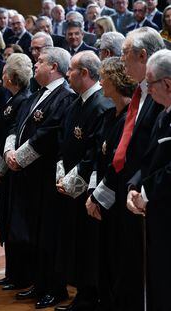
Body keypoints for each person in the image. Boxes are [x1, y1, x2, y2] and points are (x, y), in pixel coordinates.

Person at [88, 27, 164, 311]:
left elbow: (154, 152)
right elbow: (126, 148)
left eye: (124, 55)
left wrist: (138, 187)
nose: (121, 62)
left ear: (143, 55)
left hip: (148, 195)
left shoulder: (158, 95)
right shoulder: (141, 93)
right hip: (131, 191)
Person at [4, 48, 76, 308]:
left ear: (54, 67)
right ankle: (38, 282)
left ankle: (54, 288)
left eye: (40, 61)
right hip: (26, 176)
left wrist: (19, 158)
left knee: (48, 235)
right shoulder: (36, 94)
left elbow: (48, 135)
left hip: (45, 177)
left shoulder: (65, 97)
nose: (35, 65)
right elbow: (16, 125)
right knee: (32, 233)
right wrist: (9, 151)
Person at [55, 51, 113, 311]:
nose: (67, 75)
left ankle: (89, 296)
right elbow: (64, 142)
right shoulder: (76, 102)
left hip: (87, 187)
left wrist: (72, 181)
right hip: (70, 185)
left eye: (71, 71)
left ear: (85, 74)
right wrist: (61, 174)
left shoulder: (101, 105)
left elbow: (94, 153)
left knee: (89, 244)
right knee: (76, 242)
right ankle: (82, 293)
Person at [86, 57, 137, 310]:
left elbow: (122, 163)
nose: (100, 81)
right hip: (105, 198)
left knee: (120, 257)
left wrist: (100, 196)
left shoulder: (130, 117)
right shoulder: (109, 114)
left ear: (116, 80)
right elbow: (99, 156)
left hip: (120, 201)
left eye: (104, 76)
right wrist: (93, 194)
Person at [126, 49, 171, 311]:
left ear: (166, 83)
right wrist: (134, 187)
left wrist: (146, 193)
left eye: (150, 82)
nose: (147, 88)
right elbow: (149, 159)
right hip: (157, 216)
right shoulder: (163, 113)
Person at [0, 53, 32, 292]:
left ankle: (19, 274)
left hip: (12, 170)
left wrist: (1, 165)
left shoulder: (22, 101)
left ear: (11, 76)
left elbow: (13, 136)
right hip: (4, 168)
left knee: (14, 222)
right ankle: (12, 272)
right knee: (7, 221)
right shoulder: (13, 98)